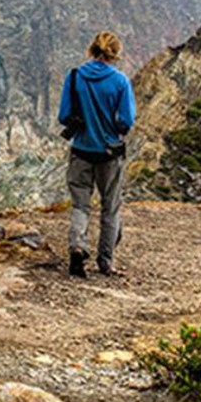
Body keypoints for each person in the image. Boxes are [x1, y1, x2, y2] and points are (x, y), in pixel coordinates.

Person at [57, 30, 136, 278]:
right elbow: (126, 120)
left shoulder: (75, 76)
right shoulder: (120, 81)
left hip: (81, 151)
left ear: (92, 49)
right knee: (110, 208)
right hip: (109, 154)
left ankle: (78, 247)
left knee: (81, 205)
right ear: (115, 53)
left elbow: (63, 116)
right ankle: (106, 261)